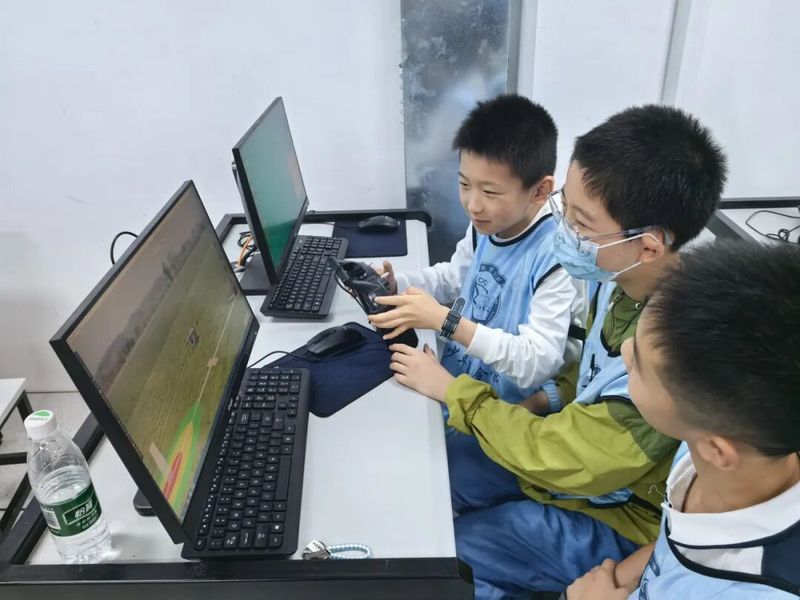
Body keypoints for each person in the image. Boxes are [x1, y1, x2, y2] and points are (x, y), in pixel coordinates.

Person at [387, 104, 727, 597]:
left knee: (446, 556)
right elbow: (586, 367)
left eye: (581, 222)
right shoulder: (618, 276)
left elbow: (559, 454)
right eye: (565, 206)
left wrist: (452, 391)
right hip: (569, 459)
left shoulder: (669, 358)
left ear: (648, 245)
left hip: (614, 512)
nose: (562, 230)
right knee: (433, 479)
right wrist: (546, 396)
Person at [567, 240, 800, 599]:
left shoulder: (757, 589)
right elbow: (678, 538)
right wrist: (624, 576)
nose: (625, 351)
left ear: (717, 450)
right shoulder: (713, 446)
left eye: (639, 365)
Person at [370, 93, 585, 406]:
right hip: (456, 382)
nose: (473, 205)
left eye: (490, 192)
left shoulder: (556, 257)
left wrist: (446, 321)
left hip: (502, 408)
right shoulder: (491, 222)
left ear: (540, 191)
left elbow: (537, 362)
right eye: (464, 184)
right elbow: (455, 278)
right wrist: (397, 285)